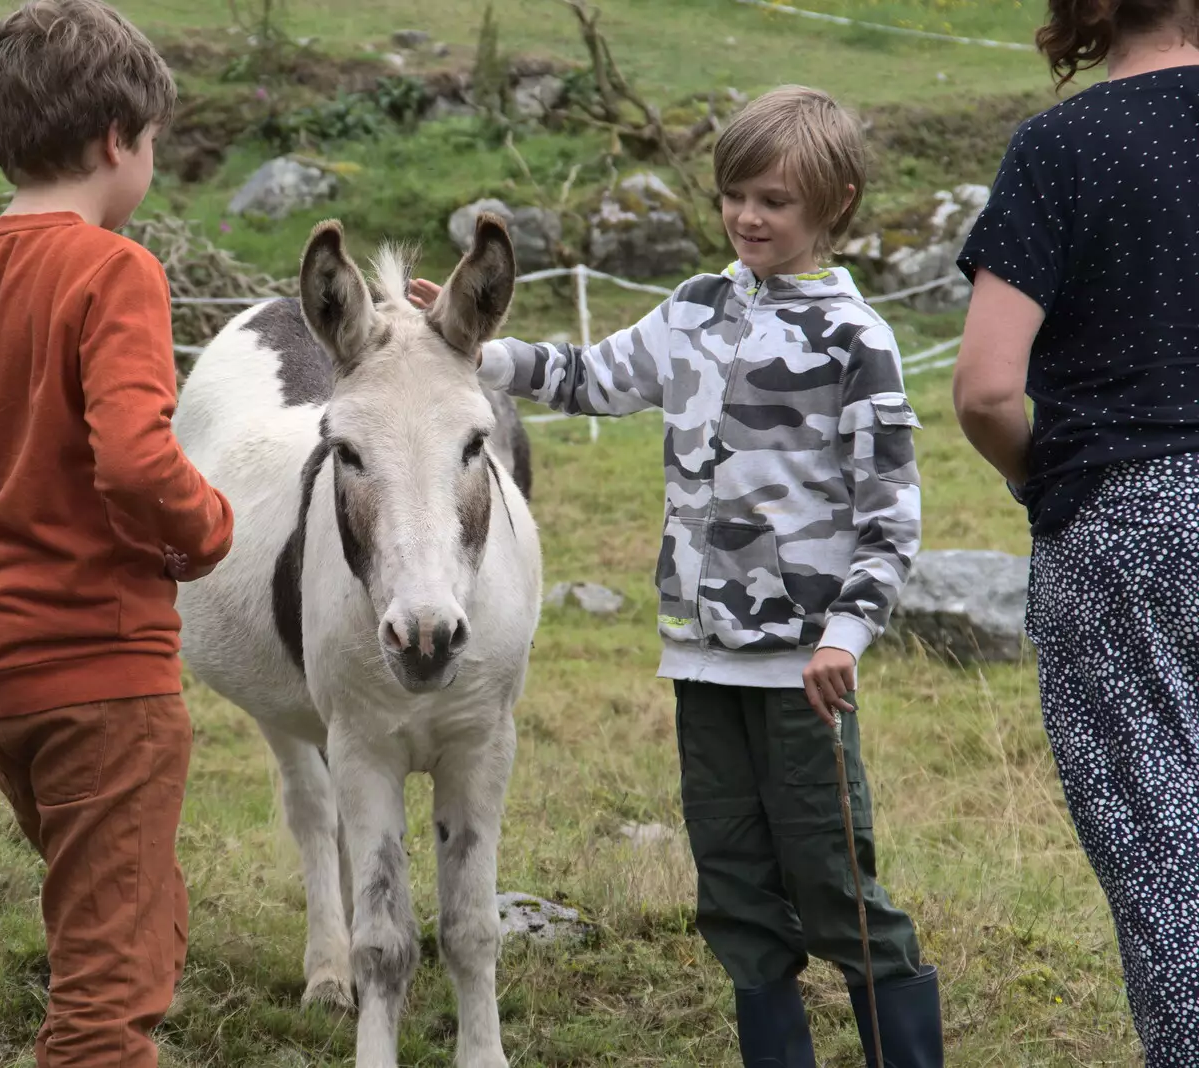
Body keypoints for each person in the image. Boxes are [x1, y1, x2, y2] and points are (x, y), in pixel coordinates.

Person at [413, 85, 939, 1067]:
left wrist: (845, 636)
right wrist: (468, 342)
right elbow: (587, 377)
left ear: (837, 202)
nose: (748, 216)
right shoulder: (692, 310)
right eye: (736, 194)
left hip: (802, 672)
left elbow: (892, 520)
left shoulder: (854, 340)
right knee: (733, 890)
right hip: (698, 664)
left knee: (833, 886)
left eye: (774, 200)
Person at [0, 2, 234, 1065]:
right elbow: (137, 461)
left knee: (126, 912)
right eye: (152, 145)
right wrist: (208, 527)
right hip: (101, 665)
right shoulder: (113, 269)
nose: (149, 165)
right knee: (106, 988)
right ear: (114, 142)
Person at [952, 0, 1199, 1059]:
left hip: (1123, 523)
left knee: (1163, 851)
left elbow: (983, 390)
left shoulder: (1061, 145)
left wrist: (1041, 485)